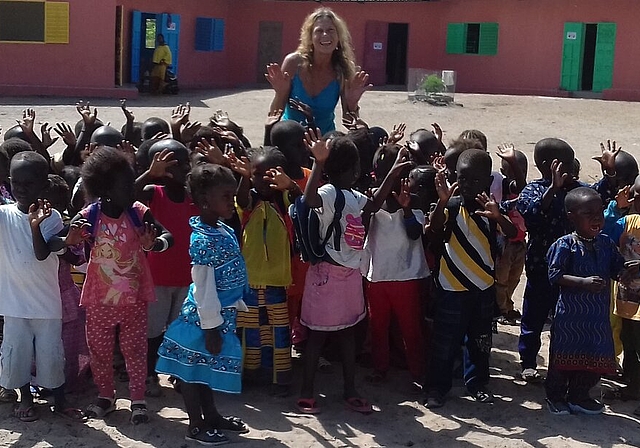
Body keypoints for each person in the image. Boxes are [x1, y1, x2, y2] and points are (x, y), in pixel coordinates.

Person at [296, 130, 411, 414]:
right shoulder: (327, 192)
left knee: (349, 334)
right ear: (354, 169)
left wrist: (392, 175)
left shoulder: (351, 196)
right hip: (325, 277)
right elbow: (308, 200)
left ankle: (350, 389)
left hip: (348, 276)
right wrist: (318, 163)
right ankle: (307, 393)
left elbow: (373, 206)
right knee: (318, 337)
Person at [75, 147, 173, 424]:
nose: (133, 188)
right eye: (126, 185)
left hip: (134, 298)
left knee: (135, 351)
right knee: (100, 352)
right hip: (99, 299)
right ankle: (106, 397)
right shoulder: (89, 216)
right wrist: (70, 238)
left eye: (133, 182)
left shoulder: (138, 212)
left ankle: (138, 400)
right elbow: (70, 237)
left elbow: (169, 236)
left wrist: (154, 243)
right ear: (104, 188)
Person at [156, 163, 250, 445]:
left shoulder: (220, 229)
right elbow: (204, 288)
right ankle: (196, 424)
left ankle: (212, 416)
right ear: (206, 200)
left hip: (218, 317)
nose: (232, 201)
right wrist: (211, 328)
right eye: (226, 196)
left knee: (202, 370)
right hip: (203, 321)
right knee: (191, 372)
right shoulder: (203, 241)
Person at [423, 149, 516, 408]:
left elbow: (512, 232)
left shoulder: (491, 210)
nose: (467, 185)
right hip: (451, 288)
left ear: (488, 181)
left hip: (482, 289)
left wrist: (498, 216)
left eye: (475, 181)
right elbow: (433, 232)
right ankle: (436, 388)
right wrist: (442, 202)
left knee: (480, 341)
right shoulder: (450, 207)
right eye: (462, 179)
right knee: (444, 342)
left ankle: (477, 384)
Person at [0, 152, 84, 421]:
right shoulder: (3, 215)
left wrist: (35, 226)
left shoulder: (52, 217)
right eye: (16, 182)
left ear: (43, 185)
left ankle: (59, 401)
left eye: (29, 183)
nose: (21, 189)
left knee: (51, 354)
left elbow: (43, 252)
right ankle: (25, 397)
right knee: (17, 353)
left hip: (47, 305)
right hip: (13, 305)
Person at [545, 187, 632, 415]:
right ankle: (556, 397)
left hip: (597, 318)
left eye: (600, 212)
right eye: (588, 213)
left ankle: (579, 396)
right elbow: (554, 275)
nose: (596, 218)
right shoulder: (565, 245)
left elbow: (616, 268)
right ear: (571, 216)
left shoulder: (605, 243)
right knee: (563, 360)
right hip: (571, 318)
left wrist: (625, 271)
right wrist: (582, 282)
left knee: (593, 359)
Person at [134, 139, 198, 397]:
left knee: (180, 329)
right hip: (156, 278)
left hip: (186, 277)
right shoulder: (152, 192)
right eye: (178, 164)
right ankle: (149, 375)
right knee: (151, 332)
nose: (185, 169)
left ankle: (178, 373)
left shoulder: (192, 195)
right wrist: (150, 173)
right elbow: (126, 194)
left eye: (186, 162)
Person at [362, 144, 429, 389]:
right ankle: (380, 367)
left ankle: (417, 372)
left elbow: (414, 234)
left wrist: (406, 208)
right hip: (377, 275)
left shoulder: (414, 200)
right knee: (377, 326)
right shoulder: (370, 201)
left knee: (411, 327)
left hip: (406, 276)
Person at [234, 146, 297, 394]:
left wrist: (289, 185)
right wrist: (243, 176)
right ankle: (250, 373)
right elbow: (240, 199)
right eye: (257, 174)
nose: (264, 180)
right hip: (249, 279)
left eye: (271, 174)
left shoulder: (283, 201)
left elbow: (301, 199)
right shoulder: (249, 200)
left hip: (277, 281)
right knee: (249, 330)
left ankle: (279, 378)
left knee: (278, 331)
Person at [516, 138, 579, 382]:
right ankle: (529, 363)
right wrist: (552, 188)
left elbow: (597, 200)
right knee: (533, 318)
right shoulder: (533, 190)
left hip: (571, 269)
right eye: (565, 163)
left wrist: (610, 174)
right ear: (547, 165)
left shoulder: (576, 190)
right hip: (540, 267)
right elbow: (531, 214)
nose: (572, 168)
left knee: (565, 320)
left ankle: (563, 365)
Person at [266, 7, 371, 135]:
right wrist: (280, 93)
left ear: (338, 37)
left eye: (331, 30)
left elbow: (349, 121)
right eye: (319, 31)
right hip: (291, 139)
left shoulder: (344, 69)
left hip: (325, 141)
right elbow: (274, 117)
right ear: (310, 37)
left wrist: (352, 103)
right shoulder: (293, 63)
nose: (325, 35)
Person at [495, 145, 528, 325]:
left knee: (515, 277)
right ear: (503, 172)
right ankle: (502, 310)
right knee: (501, 279)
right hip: (505, 242)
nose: (518, 174)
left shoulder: (526, 190)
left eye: (522, 170)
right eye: (513, 169)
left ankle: (507, 305)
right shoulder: (504, 189)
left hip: (520, 242)